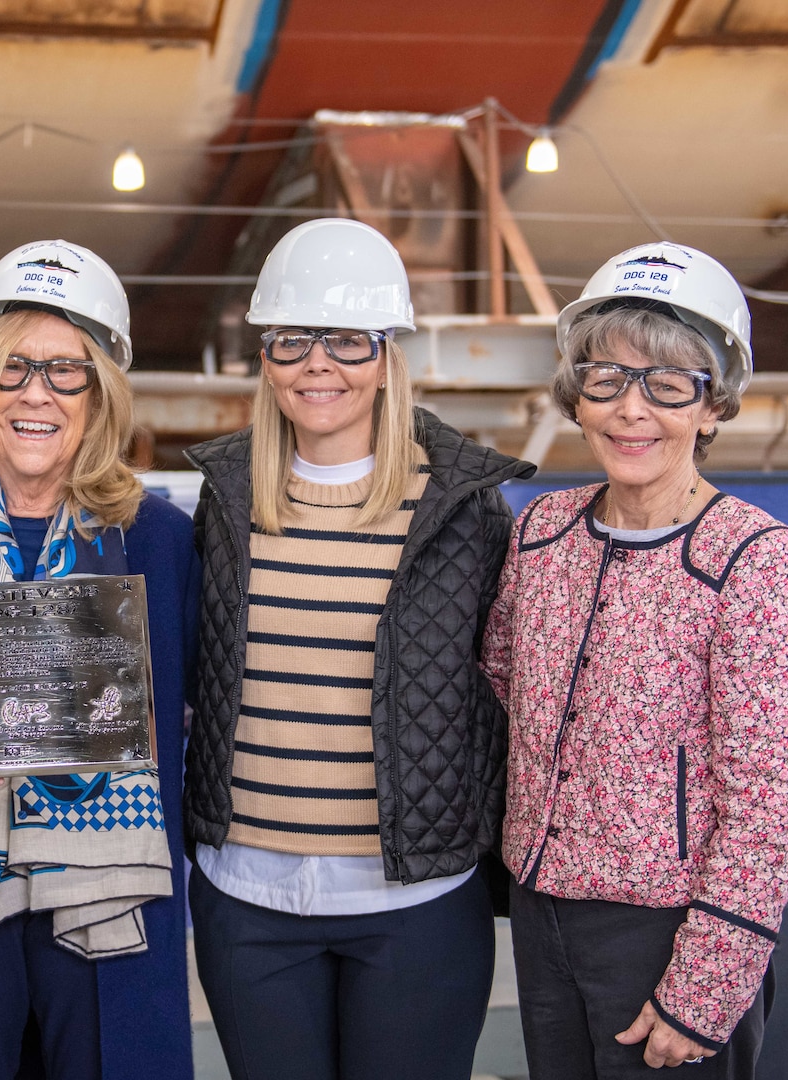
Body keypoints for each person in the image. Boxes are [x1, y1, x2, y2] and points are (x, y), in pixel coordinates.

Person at [183, 217, 535, 1080]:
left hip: (414, 903)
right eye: (291, 341)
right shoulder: (227, 496)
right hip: (247, 895)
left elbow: (507, 690)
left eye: (346, 340)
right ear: (264, 357)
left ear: (387, 354)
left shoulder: (462, 507)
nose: (317, 365)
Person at [482, 241, 788, 1078]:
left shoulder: (759, 562)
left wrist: (703, 990)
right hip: (542, 913)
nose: (632, 409)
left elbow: (766, 805)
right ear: (578, 395)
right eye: (606, 378)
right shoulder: (542, 532)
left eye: (669, 384)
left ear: (712, 407)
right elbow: (502, 684)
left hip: (669, 932)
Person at [0, 239, 198, 1080]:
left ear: (100, 394)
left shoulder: (158, 542)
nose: (36, 395)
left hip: (106, 894)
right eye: (13, 370)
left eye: (65, 372)